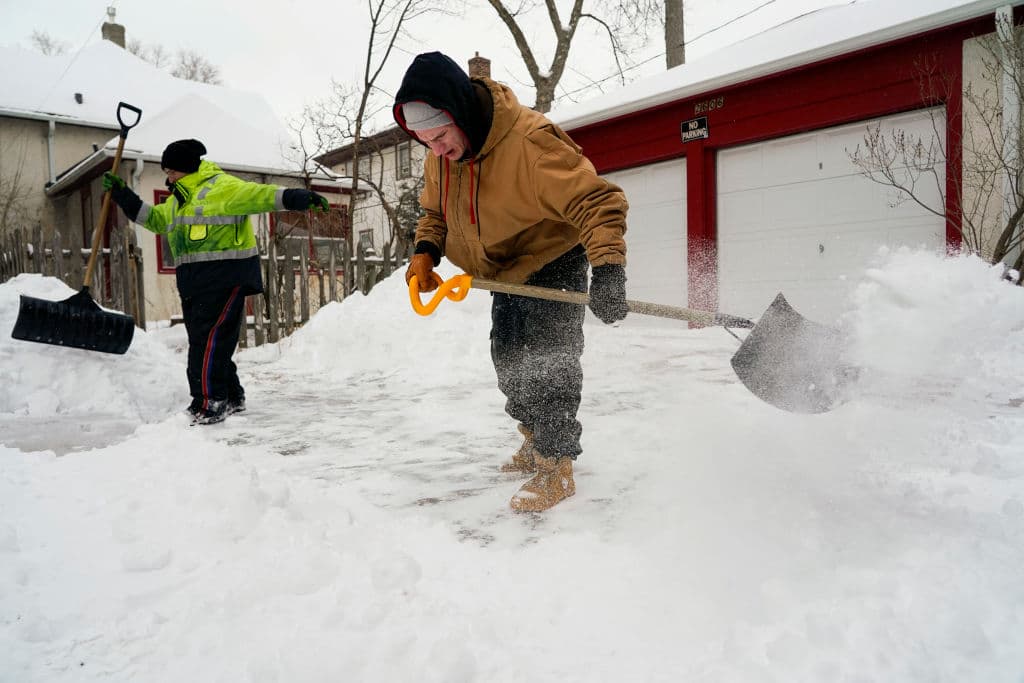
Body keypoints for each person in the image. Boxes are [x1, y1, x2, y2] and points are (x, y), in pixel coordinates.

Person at [394, 52, 629, 513]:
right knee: (509, 360)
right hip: (501, 270)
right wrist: (426, 250)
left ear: (459, 113)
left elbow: (597, 202)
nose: (436, 149)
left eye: (440, 136)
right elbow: (434, 213)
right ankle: (533, 438)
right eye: (425, 142)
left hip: (552, 259)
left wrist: (608, 268)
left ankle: (556, 464)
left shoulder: (530, 143)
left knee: (550, 363)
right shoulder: (439, 159)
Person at [103, 138, 330, 425]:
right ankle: (232, 396)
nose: (168, 177)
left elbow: (261, 195)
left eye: (171, 171)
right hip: (195, 281)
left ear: (186, 169)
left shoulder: (221, 187)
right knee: (208, 341)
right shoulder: (178, 201)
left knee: (209, 342)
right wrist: (123, 195)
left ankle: (210, 401)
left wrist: (300, 197)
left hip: (226, 275)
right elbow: (155, 220)